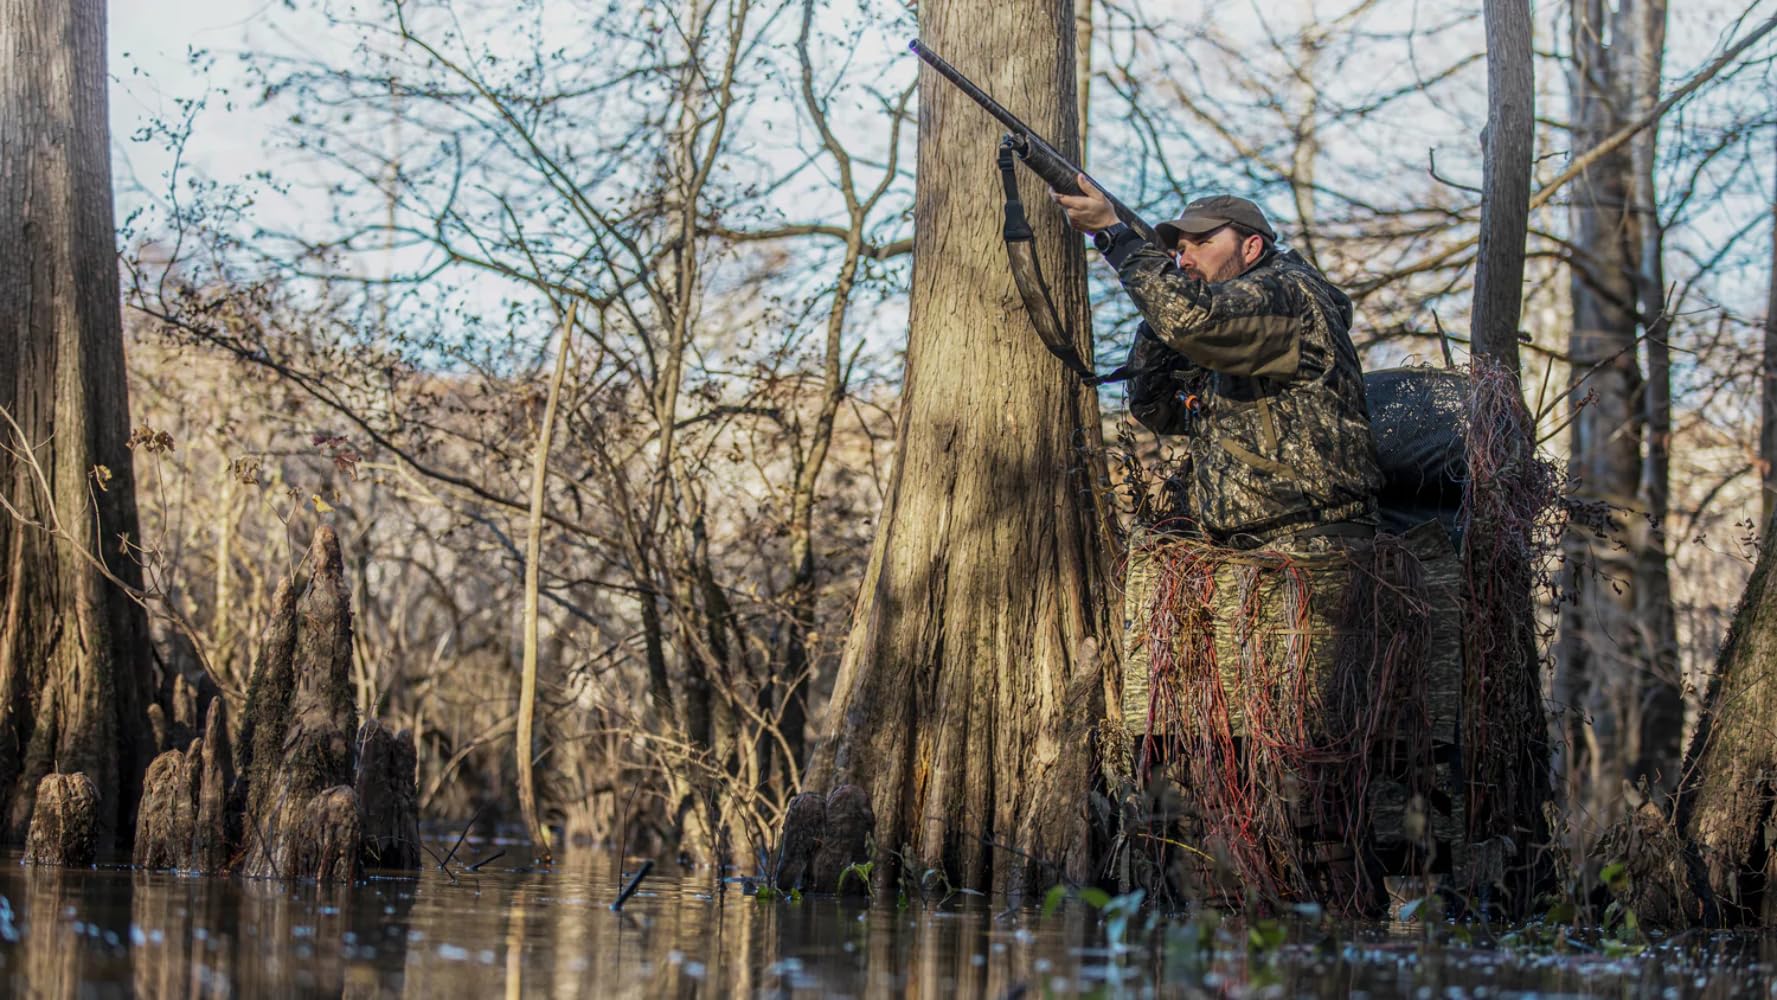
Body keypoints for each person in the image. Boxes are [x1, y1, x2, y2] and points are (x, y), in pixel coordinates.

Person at [1051, 179, 1382, 549]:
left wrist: (1117, 237)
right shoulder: (1230, 331)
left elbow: (1191, 319)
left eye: (1204, 242)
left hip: (1314, 544)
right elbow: (1156, 407)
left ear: (1252, 246)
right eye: (1178, 250)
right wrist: (1160, 310)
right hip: (1244, 548)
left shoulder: (1286, 293)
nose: (1185, 259)